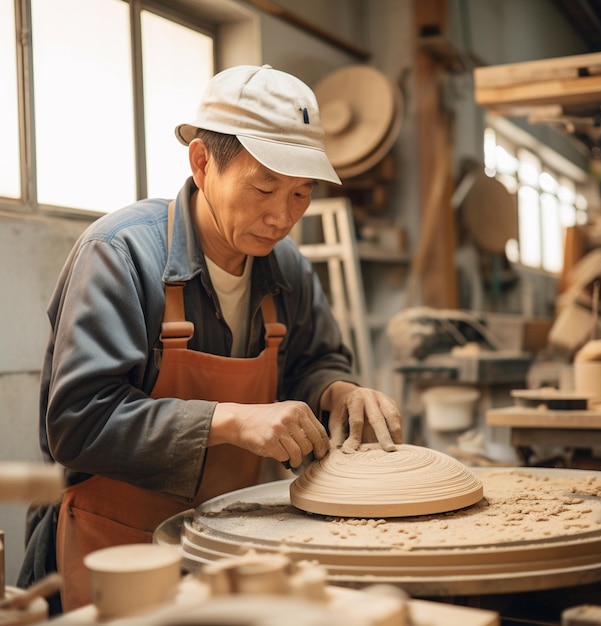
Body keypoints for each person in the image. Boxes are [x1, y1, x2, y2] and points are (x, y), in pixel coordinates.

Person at [18, 64, 403, 612]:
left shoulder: (285, 267)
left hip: (227, 546)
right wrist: (232, 420)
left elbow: (315, 360)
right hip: (111, 552)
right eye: (265, 186)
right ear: (202, 163)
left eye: (301, 194)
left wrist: (337, 389)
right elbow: (78, 425)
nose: (281, 216)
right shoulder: (121, 255)